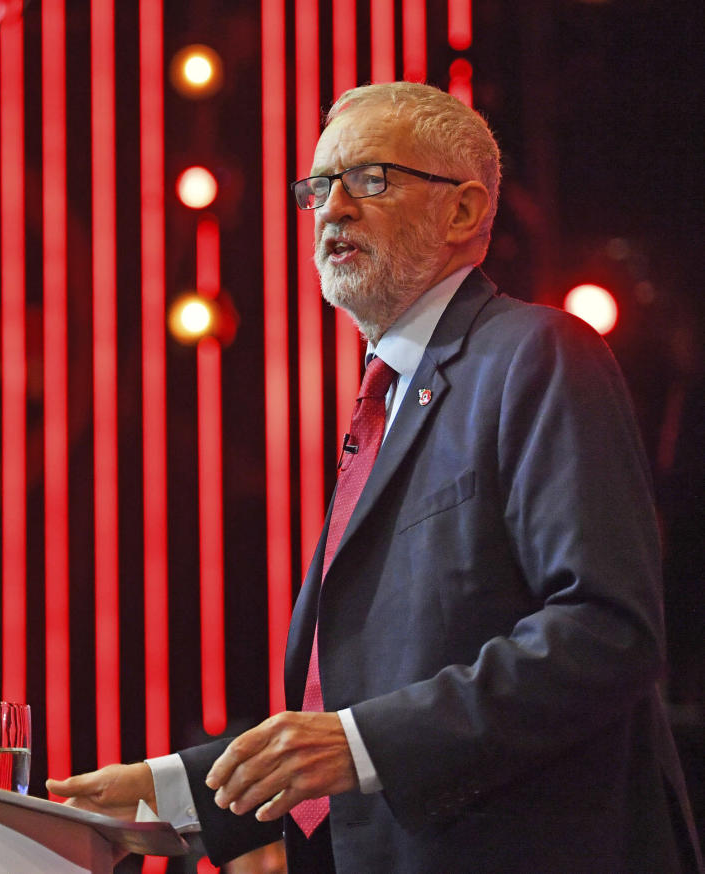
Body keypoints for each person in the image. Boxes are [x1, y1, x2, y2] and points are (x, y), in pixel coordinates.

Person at [47, 81, 703, 872]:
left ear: (462, 212)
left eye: (370, 179)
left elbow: (607, 631)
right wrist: (168, 794)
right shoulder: (384, 404)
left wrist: (358, 744)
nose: (331, 209)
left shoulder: (535, 354)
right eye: (319, 187)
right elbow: (356, 701)